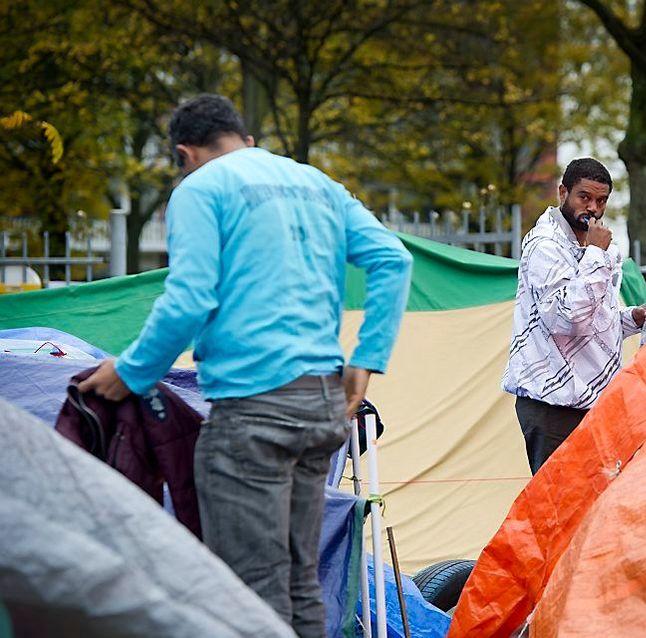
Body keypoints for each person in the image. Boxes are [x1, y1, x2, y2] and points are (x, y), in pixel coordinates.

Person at [79, 94, 412, 637]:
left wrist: (131, 371)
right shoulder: (316, 182)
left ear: (185, 154)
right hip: (322, 406)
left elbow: (189, 298)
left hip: (252, 412)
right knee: (301, 584)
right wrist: (368, 357)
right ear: (246, 140)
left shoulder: (199, 189)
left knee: (247, 594)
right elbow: (393, 258)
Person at [501, 157, 646, 474]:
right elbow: (568, 318)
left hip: (597, 401)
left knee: (596, 505)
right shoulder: (543, 245)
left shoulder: (601, 250)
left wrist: (636, 316)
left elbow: (596, 320)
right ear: (563, 193)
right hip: (552, 404)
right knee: (558, 510)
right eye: (584, 197)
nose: (592, 208)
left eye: (600, 201)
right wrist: (596, 255)